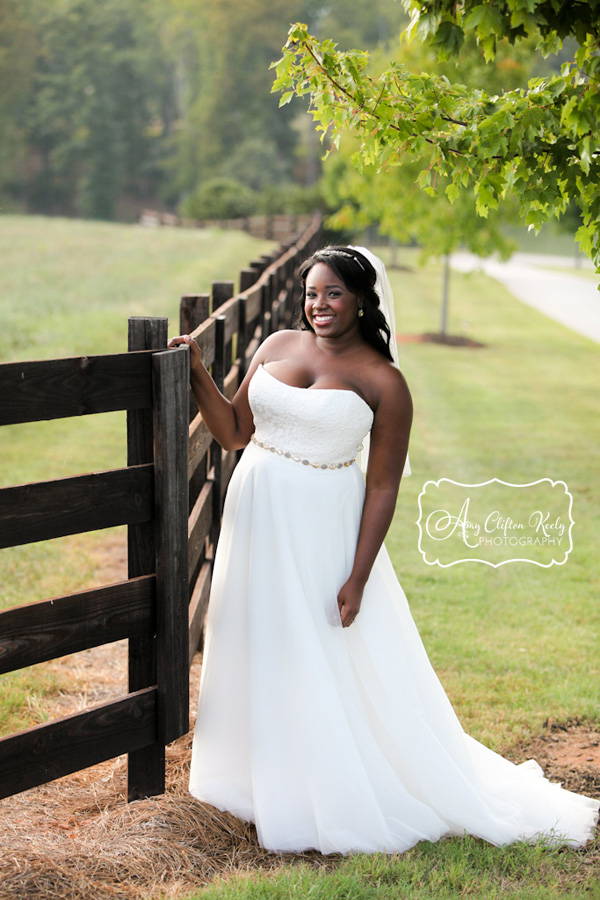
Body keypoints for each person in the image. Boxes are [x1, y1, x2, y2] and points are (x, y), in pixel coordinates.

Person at [167, 246, 598, 855]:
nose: (319, 305)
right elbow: (235, 432)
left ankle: (319, 784)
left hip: (323, 528)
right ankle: (251, 776)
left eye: (334, 294)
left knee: (316, 648)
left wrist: (358, 576)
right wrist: (195, 372)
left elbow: (383, 485)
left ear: (363, 300)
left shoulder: (384, 382)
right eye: (313, 293)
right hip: (256, 511)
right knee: (255, 634)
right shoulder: (275, 348)